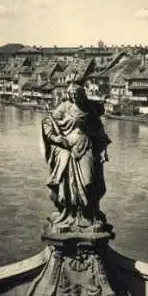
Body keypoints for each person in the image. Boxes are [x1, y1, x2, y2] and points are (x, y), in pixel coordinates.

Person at [41, 83, 111, 230]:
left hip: (86, 145)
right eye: (71, 94)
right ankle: (71, 213)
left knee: (89, 180)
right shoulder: (64, 107)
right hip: (67, 147)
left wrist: (104, 148)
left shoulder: (88, 108)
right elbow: (48, 123)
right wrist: (57, 139)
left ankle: (89, 213)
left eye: (76, 94)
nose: (74, 96)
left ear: (82, 94)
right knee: (66, 182)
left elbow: (98, 129)